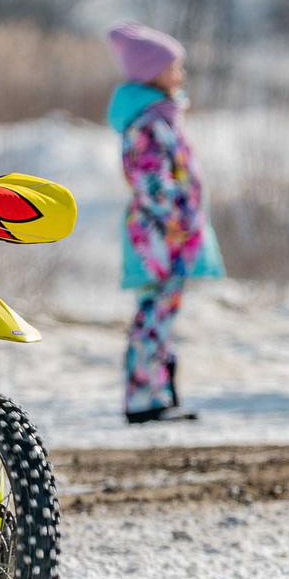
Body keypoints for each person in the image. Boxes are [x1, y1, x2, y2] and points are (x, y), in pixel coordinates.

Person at [106, 22, 219, 422]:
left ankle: (159, 393)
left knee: (161, 312)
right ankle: (144, 398)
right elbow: (153, 184)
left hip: (170, 233)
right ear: (152, 72)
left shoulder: (161, 118)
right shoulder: (148, 124)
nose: (180, 75)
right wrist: (179, 220)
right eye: (174, 67)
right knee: (154, 312)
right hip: (159, 235)